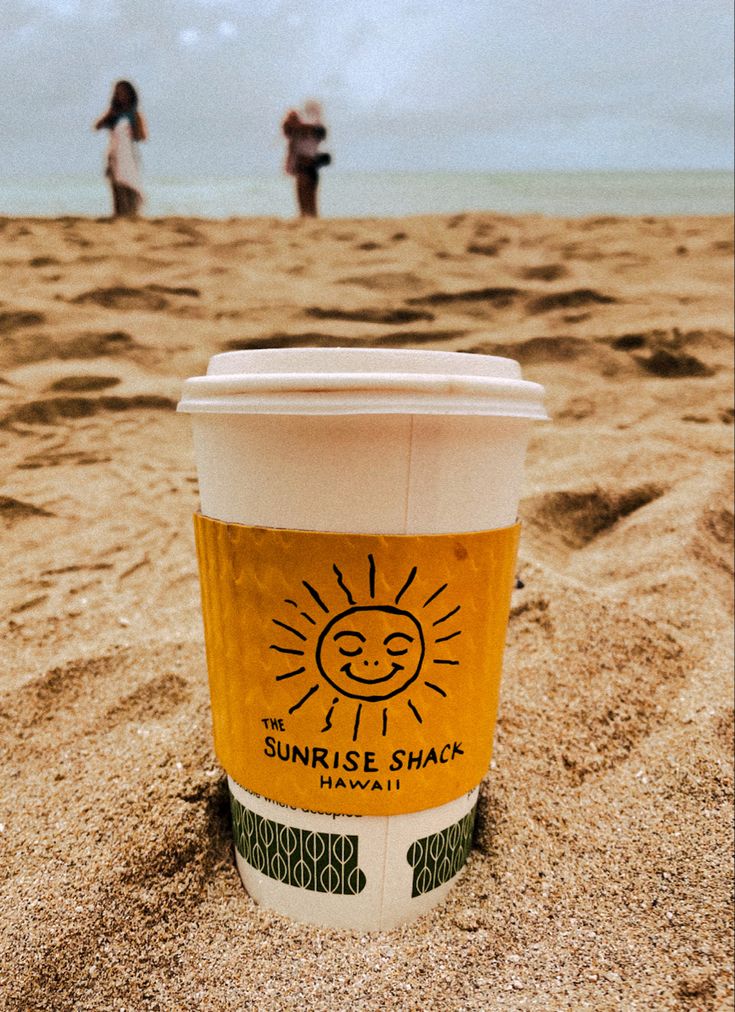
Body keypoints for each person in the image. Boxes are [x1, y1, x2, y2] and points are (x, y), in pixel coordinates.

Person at [94, 80, 148, 218]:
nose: (121, 95)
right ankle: (119, 215)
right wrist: (110, 115)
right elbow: (98, 126)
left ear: (130, 94)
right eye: (118, 93)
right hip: (114, 154)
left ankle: (131, 214)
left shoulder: (134, 114)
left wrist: (132, 129)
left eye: (124, 92)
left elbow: (142, 136)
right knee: (116, 185)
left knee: (129, 184)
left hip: (128, 155)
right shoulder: (114, 113)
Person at [282, 102, 330, 218]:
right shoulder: (297, 134)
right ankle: (308, 218)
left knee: (308, 199)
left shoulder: (309, 131)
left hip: (308, 165)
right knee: (304, 200)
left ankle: (309, 218)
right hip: (304, 166)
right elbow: (288, 131)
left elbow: (319, 131)